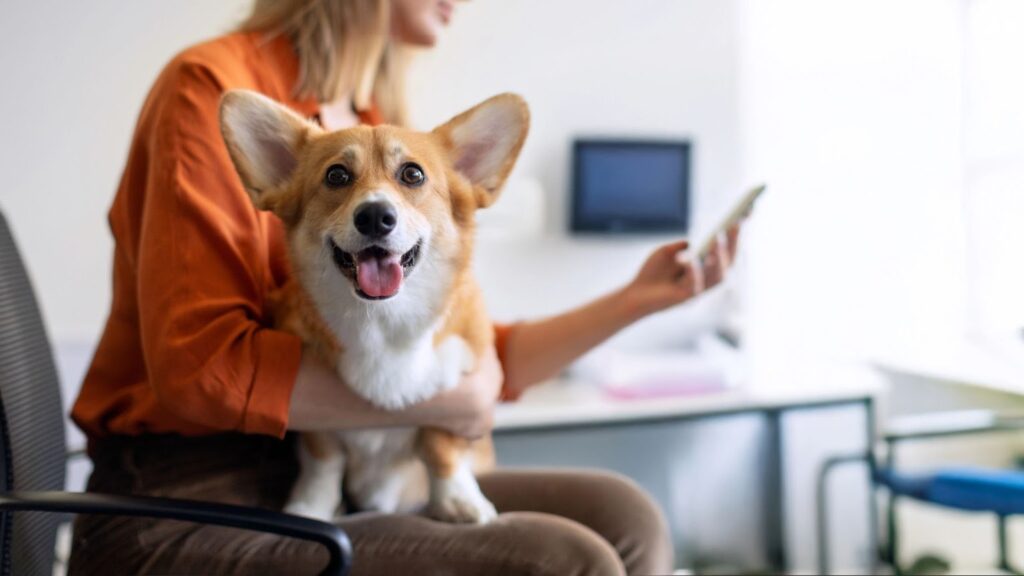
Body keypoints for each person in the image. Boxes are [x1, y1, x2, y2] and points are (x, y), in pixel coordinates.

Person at [67, 1, 742, 574]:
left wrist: (637, 299)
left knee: (628, 517)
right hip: (186, 496)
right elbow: (199, 372)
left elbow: (467, 360)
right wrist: (450, 402)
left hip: (344, 473)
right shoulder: (211, 86)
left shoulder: (371, 117)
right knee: (568, 558)